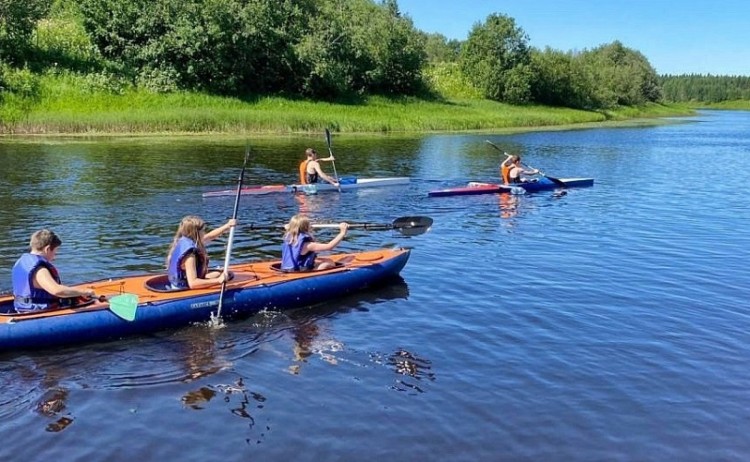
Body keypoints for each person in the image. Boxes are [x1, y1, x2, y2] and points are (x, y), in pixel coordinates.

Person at [12, 229, 96, 313]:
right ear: (47, 249)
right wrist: (84, 292)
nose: (54, 257)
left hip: (22, 307)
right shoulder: (40, 270)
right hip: (36, 312)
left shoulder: (22, 262)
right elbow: (57, 291)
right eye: (55, 252)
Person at [166, 215, 237, 290]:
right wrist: (218, 281)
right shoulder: (190, 255)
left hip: (182, 282)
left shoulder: (185, 240)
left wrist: (227, 226)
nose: (204, 232)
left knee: (223, 273)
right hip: (183, 288)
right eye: (203, 230)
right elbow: (193, 284)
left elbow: (210, 236)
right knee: (225, 275)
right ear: (196, 233)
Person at [281, 214, 348, 271]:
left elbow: (289, 228)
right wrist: (342, 233)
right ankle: (317, 274)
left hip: (288, 267)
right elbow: (329, 246)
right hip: (301, 270)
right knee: (329, 263)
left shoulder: (289, 237)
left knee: (325, 260)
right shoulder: (308, 245)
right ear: (306, 227)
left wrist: (291, 226)